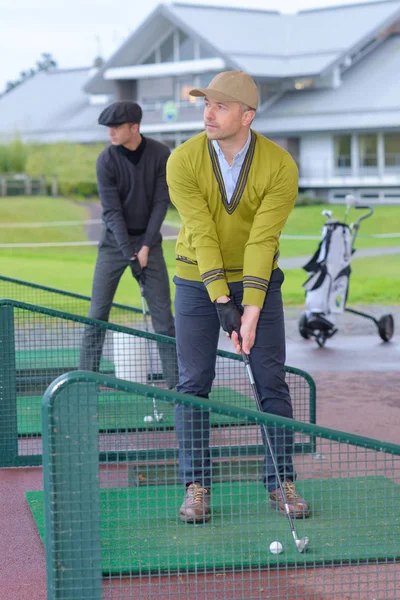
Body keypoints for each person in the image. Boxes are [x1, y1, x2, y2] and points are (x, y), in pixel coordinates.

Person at [166, 71, 310, 523]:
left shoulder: (279, 165)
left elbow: (262, 241)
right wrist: (220, 301)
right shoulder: (182, 160)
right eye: (206, 103)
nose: (208, 113)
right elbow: (202, 231)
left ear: (247, 116)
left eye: (221, 106)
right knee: (193, 383)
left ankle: (280, 480)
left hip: (258, 280)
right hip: (195, 279)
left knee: (271, 382)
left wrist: (248, 311)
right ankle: (196, 485)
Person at [80, 101, 177, 389]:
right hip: (114, 244)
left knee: (163, 317)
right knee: (97, 312)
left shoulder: (161, 154)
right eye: (108, 127)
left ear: (134, 127)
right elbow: (111, 212)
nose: (110, 132)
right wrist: (129, 253)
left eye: (116, 127)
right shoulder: (106, 161)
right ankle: (86, 379)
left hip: (150, 242)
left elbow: (162, 202)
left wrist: (145, 247)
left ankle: (176, 384)